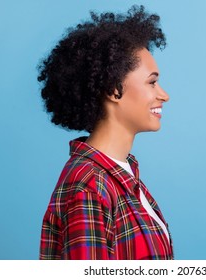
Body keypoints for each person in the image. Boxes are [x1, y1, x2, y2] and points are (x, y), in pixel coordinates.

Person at [37, 5, 173, 260]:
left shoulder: (124, 176)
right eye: (152, 82)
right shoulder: (89, 185)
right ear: (113, 89)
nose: (163, 95)